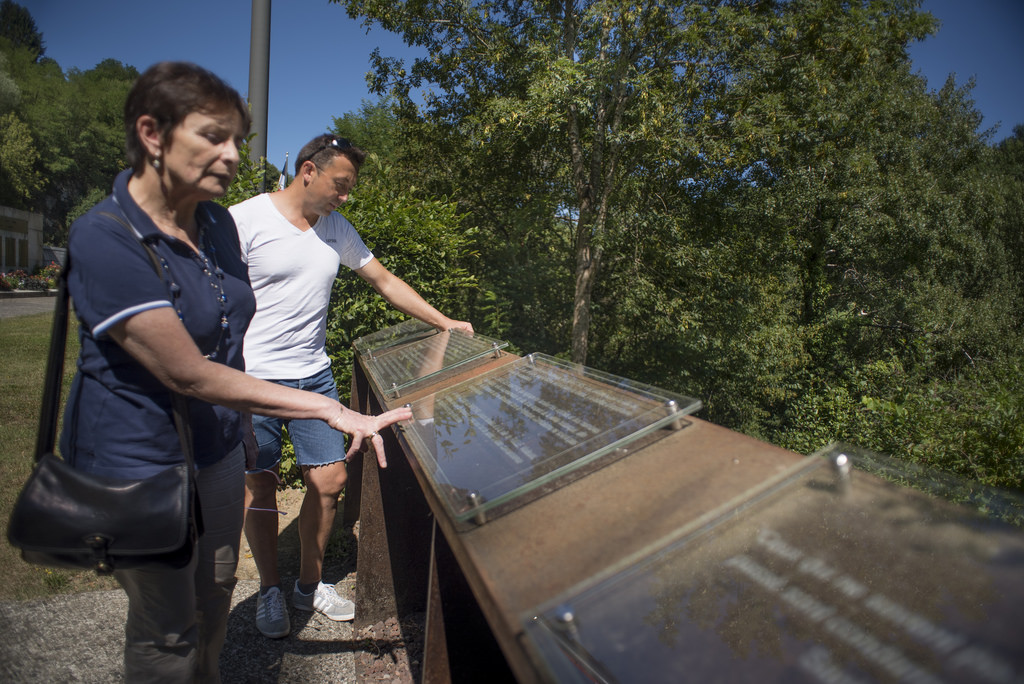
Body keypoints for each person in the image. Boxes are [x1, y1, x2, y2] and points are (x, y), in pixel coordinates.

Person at [58, 63, 410, 683]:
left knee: (216, 603)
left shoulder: (217, 225)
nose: (232, 155)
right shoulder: (105, 236)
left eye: (239, 142)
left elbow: (225, 330)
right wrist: (325, 407)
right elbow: (187, 371)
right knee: (168, 628)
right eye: (214, 137)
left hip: (219, 444)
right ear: (152, 134)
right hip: (142, 462)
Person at [229, 134, 472, 638]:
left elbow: (383, 281)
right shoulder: (245, 220)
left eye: (350, 189)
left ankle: (309, 584)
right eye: (341, 185)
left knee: (330, 480)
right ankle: (270, 589)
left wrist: (443, 321)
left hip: (312, 374)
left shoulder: (336, 227)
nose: (345, 197)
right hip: (253, 377)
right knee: (262, 482)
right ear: (308, 171)